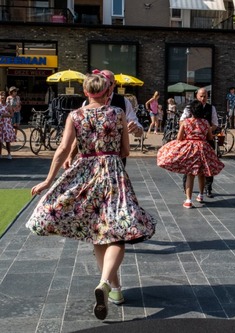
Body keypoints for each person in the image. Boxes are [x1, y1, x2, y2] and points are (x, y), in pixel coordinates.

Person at [25, 73, 156, 320]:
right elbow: (125, 150)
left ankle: (114, 290)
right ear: (108, 92)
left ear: (86, 93)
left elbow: (63, 149)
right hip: (113, 174)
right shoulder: (117, 113)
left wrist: (48, 181)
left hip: (85, 173)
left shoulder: (75, 115)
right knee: (119, 229)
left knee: (98, 229)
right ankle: (106, 283)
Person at [64, 70, 143, 168]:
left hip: (112, 163)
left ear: (114, 84)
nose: (104, 85)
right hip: (92, 164)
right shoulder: (86, 104)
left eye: (108, 83)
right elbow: (80, 133)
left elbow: (138, 130)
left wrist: (136, 129)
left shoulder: (123, 103)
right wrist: (71, 155)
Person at [157, 100, 224, 208]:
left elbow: (179, 138)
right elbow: (210, 137)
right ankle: (201, 195)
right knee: (202, 173)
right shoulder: (205, 123)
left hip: (190, 148)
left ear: (191, 111)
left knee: (190, 174)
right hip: (203, 148)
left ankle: (188, 200)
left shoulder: (186, 122)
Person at [179, 88, 219, 198]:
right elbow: (182, 121)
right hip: (191, 143)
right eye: (201, 96)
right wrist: (193, 128)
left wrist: (206, 130)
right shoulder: (189, 107)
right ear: (197, 96)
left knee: (207, 167)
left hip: (206, 141)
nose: (203, 98)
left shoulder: (211, 108)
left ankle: (208, 188)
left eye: (205, 96)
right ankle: (186, 187)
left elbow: (215, 123)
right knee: (189, 167)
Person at [0, 91, 15, 159]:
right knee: (0, 140)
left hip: (6, 124)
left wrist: (5, 115)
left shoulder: (8, 105)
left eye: (3, 96)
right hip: (0, 124)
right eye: (1, 96)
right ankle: (0, 154)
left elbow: (12, 114)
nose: (2, 98)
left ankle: (9, 154)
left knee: (7, 140)